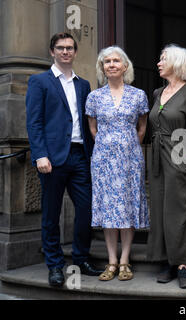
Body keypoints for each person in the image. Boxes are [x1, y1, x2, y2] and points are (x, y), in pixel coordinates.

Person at [25, 32, 103, 287]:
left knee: (86, 210)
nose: (65, 52)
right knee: (51, 213)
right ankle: (55, 265)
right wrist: (40, 155)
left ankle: (80, 258)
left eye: (70, 48)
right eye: (60, 48)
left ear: (75, 52)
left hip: (80, 155)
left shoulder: (84, 84)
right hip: (53, 158)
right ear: (52, 52)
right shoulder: (40, 81)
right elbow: (34, 122)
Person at [85, 46, 149, 281]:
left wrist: (126, 144)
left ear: (125, 66)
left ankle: (125, 261)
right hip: (103, 160)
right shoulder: (94, 97)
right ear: (102, 68)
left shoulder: (138, 95)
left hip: (130, 159)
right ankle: (111, 261)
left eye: (115, 61)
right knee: (109, 209)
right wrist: (109, 146)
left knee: (127, 207)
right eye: (106, 62)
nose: (111, 64)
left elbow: (142, 128)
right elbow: (93, 129)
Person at [147, 44, 186, 289]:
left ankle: (182, 264)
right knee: (160, 209)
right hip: (158, 156)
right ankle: (166, 260)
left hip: (180, 155)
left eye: (163, 59)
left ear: (177, 63)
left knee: (179, 211)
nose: (159, 63)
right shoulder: (158, 92)